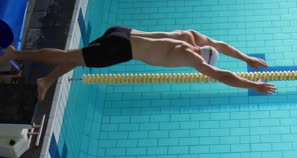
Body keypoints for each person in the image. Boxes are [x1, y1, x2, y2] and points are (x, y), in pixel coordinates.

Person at [0, 26, 276, 101]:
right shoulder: (190, 57)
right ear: (200, 58)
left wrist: (246, 58)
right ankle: (15, 55)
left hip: (121, 31)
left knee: (78, 57)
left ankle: (46, 80)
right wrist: (253, 85)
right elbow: (222, 75)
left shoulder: (193, 37)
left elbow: (222, 47)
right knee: (67, 55)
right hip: (120, 49)